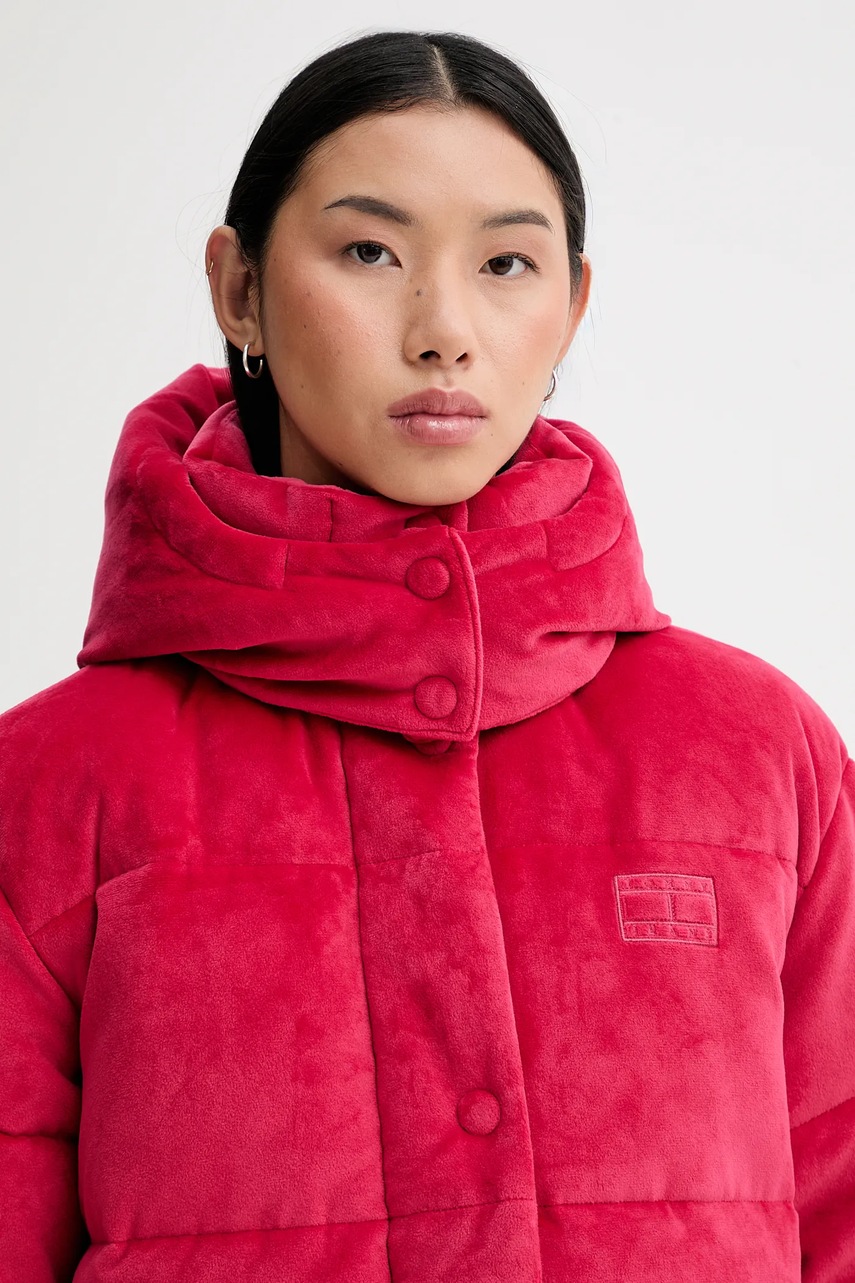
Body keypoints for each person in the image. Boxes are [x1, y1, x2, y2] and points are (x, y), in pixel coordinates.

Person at [0, 27, 852, 1283]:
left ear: (572, 305)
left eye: (506, 262)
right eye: (370, 252)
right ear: (239, 290)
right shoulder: (49, 785)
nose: (445, 330)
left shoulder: (760, 752)